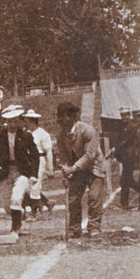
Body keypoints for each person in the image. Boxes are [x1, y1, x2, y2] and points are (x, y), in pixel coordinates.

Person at [0, 105, 40, 235]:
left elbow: (35, 155)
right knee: (6, 203)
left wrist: (33, 174)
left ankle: (15, 228)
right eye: (10, 121)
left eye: (15, 121)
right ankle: (19, 217)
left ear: (20, 121)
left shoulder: (26, 136)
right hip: (4, 172)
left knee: (16, 198)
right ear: (5, 122)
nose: (12, 124)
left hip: (21, 171)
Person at [55, 101, 106, 237]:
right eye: (59, 117)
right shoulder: (60, 136)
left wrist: (72, 169)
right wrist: (65, 170)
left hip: (95, 167)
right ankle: (74, 228)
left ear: (72, 117)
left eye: (64, 117)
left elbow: (90, 155)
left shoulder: (87, 130)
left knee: (94, 197)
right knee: (73, 198)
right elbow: (64, 156)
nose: (61, 121)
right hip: (77, 170)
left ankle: (94, 227)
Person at [23, 109, 54, 219]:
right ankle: (47, 202)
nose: (24, 123)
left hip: (39, 160)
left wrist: (50, 168)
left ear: (32, 121)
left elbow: (49, 151)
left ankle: (33, 213)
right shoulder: (25, 133)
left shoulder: (42, 134)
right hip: (27, 161)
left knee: (35, 186)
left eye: (26, 121)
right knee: (27, 187)